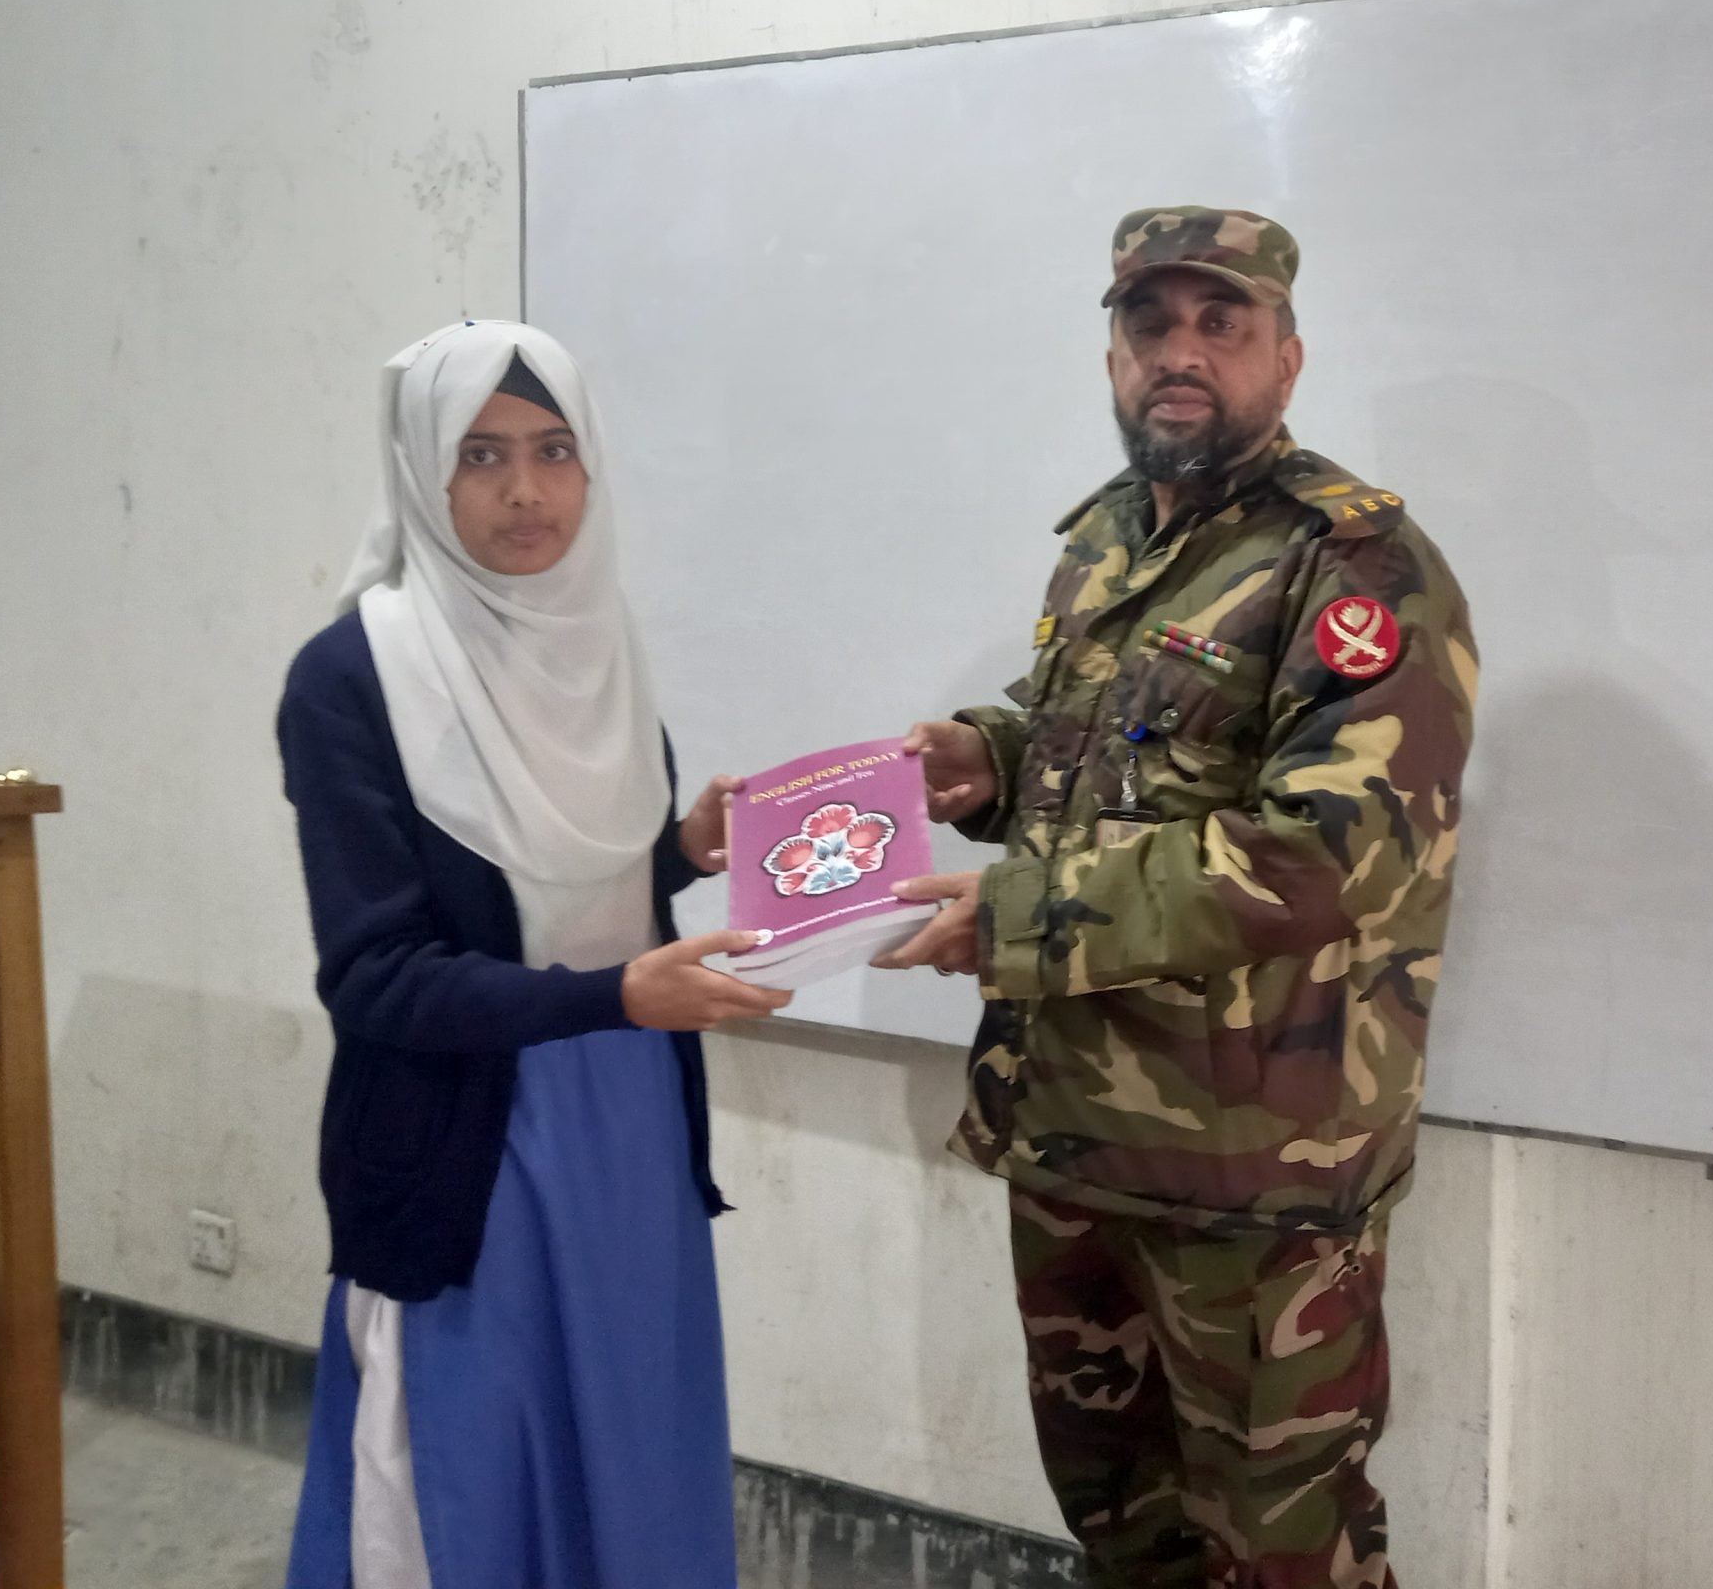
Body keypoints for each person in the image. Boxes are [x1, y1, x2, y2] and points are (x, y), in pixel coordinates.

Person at [882, 208, 1478, 1588]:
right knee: (1123, 1530)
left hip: (1253, 1176)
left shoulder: (1357, 565)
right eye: (1150, 324)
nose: (1182, 353)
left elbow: (1332, 851)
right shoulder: (1107, 539)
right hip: (1075, 1138)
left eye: (1223, 323)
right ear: (1114, 356)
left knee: (1284, 1552)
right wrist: (992, 757)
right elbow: (1120, 750)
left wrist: (1018, 916)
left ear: (1288, 356)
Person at [277, 320, 777, 1589]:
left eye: (554, 450)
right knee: (475, 1461)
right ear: (422, 472)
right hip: (468, 1136)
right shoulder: (351, 677)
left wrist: (677, 853)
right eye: (481, 454)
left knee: (629, 1432)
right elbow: (377, 975)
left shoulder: (597, 649)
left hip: (629, 1125)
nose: (524, 491)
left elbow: (550, 888)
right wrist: (618, 993)